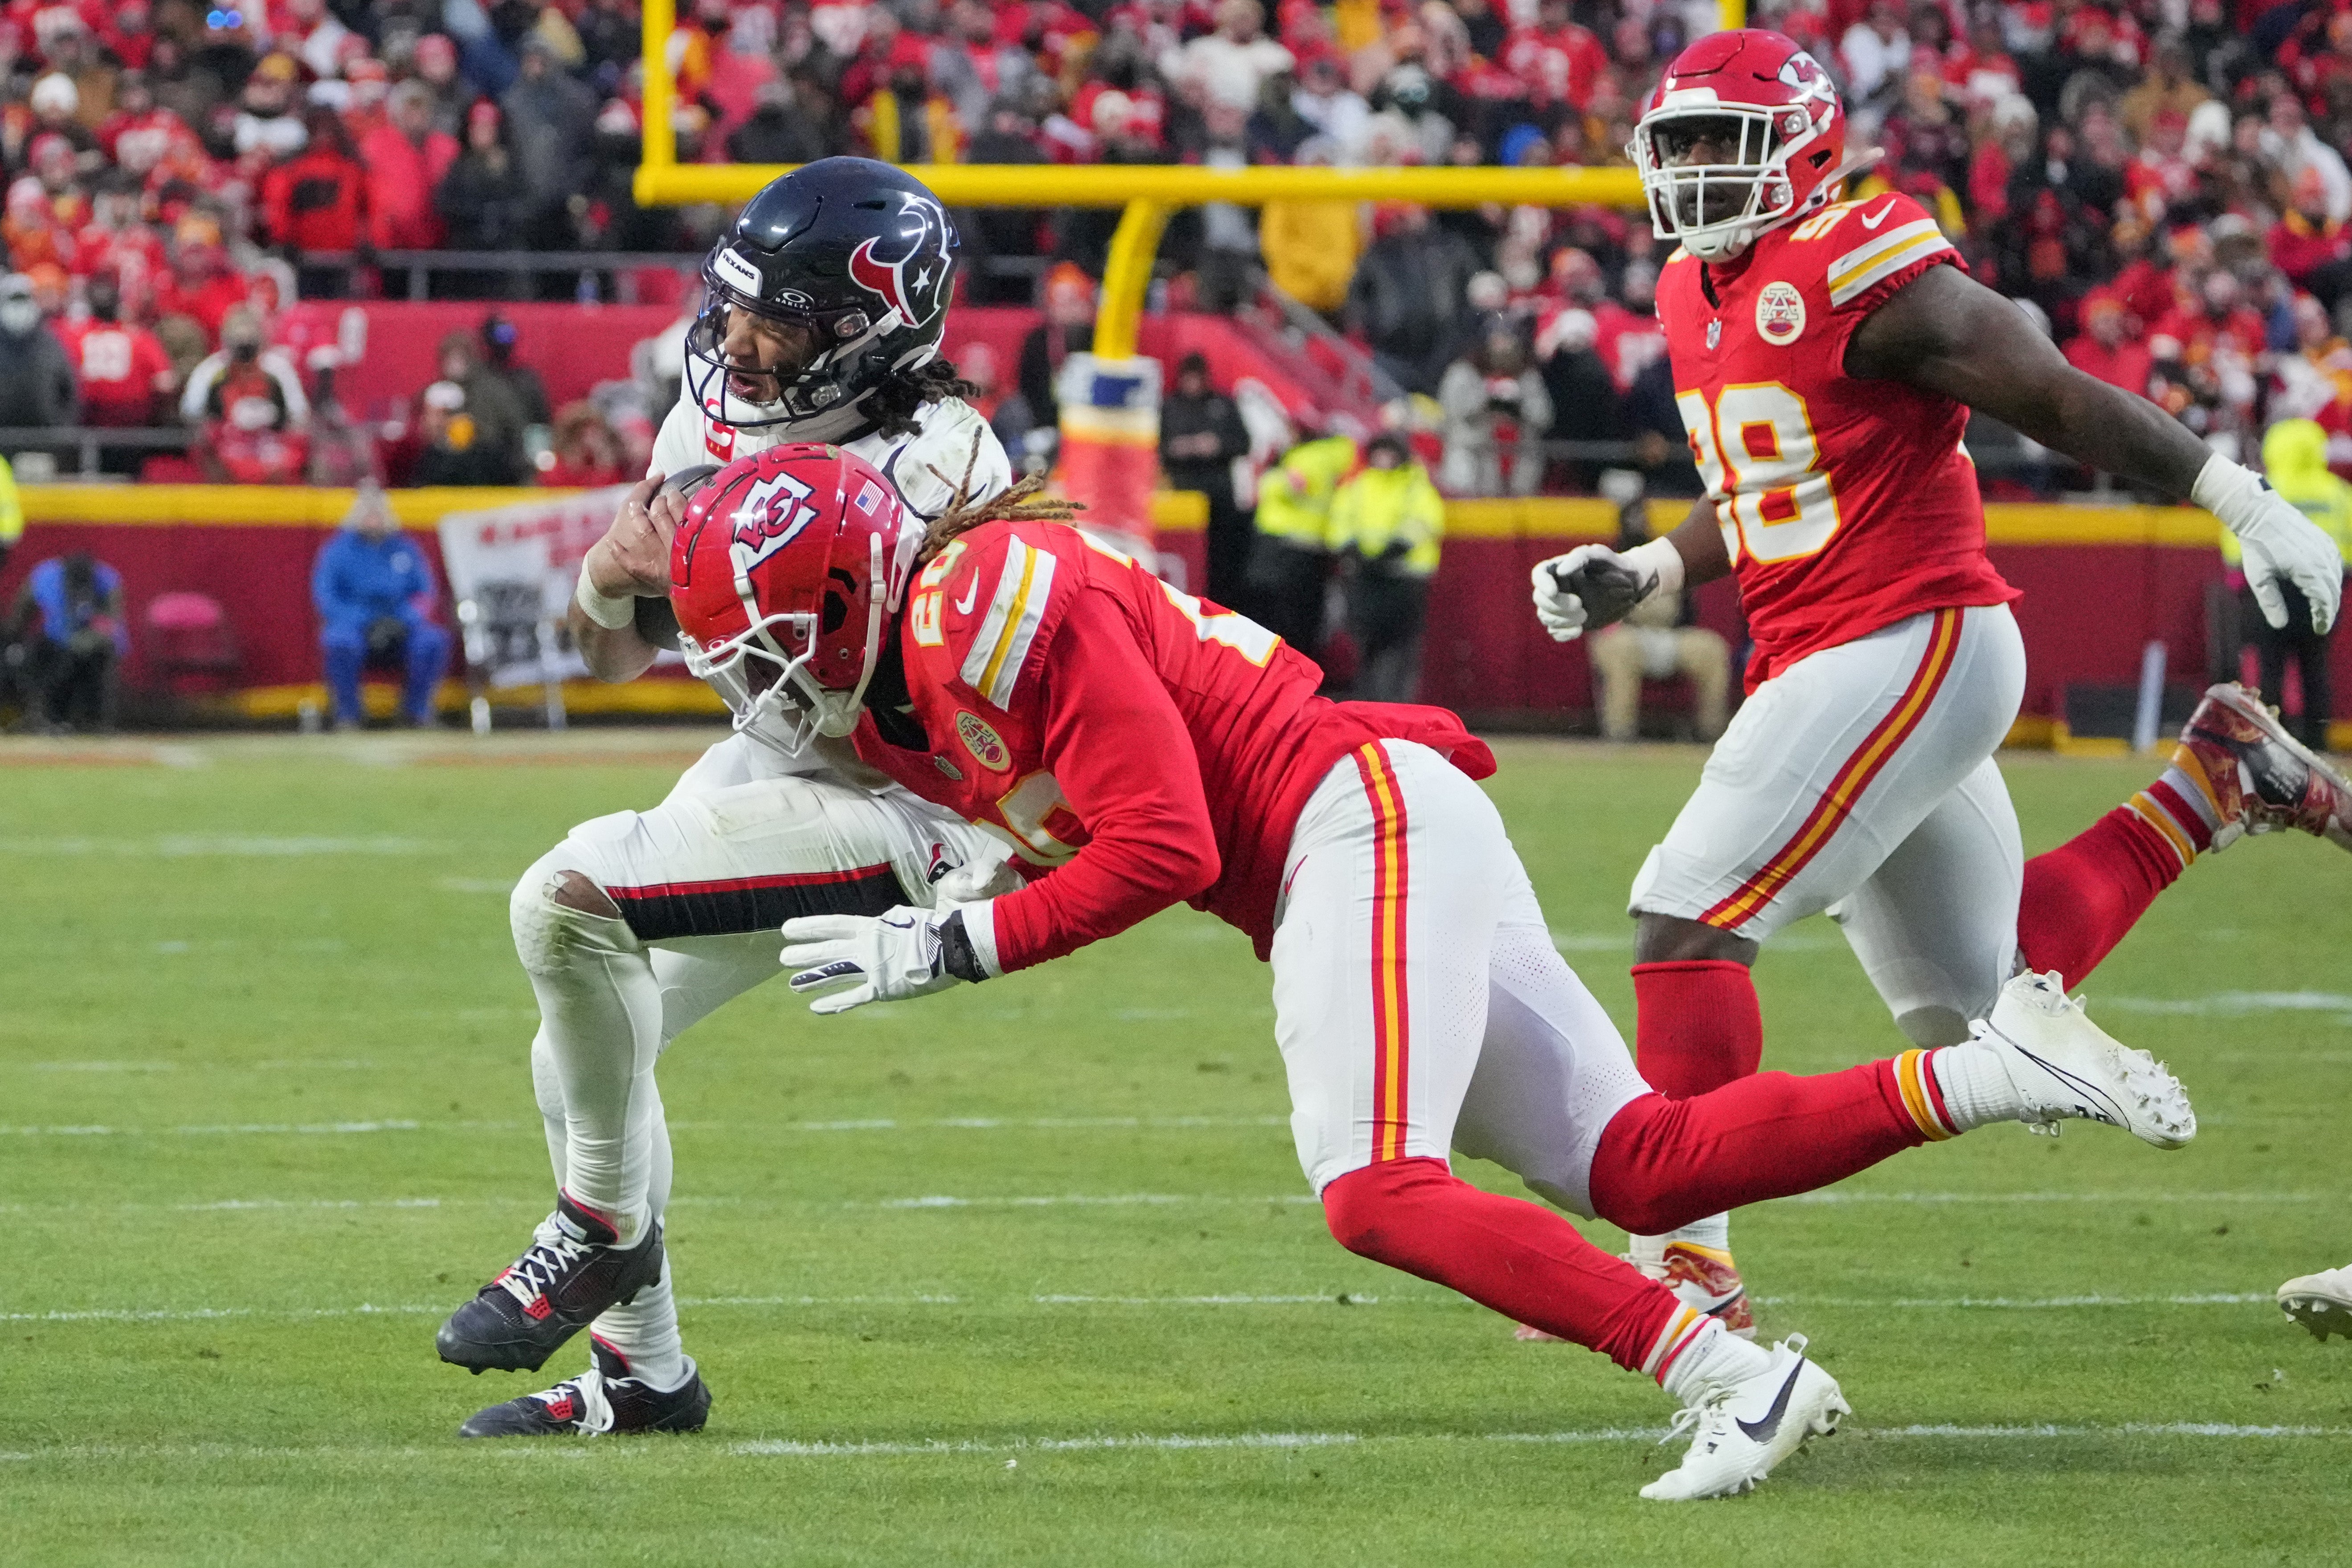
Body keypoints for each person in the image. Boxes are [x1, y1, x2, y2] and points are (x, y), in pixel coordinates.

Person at [670, 442, 2193, 1503]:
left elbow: (1166, 845)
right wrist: (976, 882)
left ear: (851, 590)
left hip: (1352, 827)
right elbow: (1098, 804)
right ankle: (1997, 1067)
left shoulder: (982, 607)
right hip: (1364, 831)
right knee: (1638, 1166)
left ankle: (1735, 1379)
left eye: (764, 640)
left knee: (1373, 1187)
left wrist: (954, 942)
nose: (756, 682)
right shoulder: (919, 668)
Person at [1531, 30, 2352, 1336]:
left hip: (1910, 632)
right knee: (1975, 1013)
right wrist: (1646, 567)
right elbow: (1762, 485)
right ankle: (2214, 780)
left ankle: (1685, 1261)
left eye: (1717, 143)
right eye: (1673, 144)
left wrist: (2235, 497)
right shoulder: (1693, 289)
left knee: (1688, 913)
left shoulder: (1860, 257)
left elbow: (2051, 394)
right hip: (1834, 648)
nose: (1690, 170)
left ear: (1802, 150)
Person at [431, 159, 1013, 1442]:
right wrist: (610, 573)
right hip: (784, 756)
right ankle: (645, 1375)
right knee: (574, 1051)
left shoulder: (943, 469)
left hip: (914, 796)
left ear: (867, 332)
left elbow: (930, 703)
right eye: (735, 304)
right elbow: (611, 654)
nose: (739, 343)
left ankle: (600, 1229)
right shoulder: (715, 418)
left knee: (565, 899)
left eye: (780, 321)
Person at [2232, 419, 2352, 751]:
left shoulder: (2261, 489)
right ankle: (2317, 742)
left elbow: (2237, 541)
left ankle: (2271, 742)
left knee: (2270, 669)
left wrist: (2240, 580)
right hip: (2321, 588)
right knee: (2316, 668)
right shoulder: (2338, 493)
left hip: (2272, 588)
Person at [1587, 503, 1731, 743]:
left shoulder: (1664, 558)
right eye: (1632, 520)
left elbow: (1687, 612)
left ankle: (1712, 734)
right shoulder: (1605, 562)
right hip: (1626, 636)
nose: (1637, 525)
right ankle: (1620, 734)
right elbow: (1597, 615)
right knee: (1621, 647)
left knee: (1712, 648)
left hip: (1667, 634)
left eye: (1641, 519)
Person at [311, 484, 450, 730]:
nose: (373, 518)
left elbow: (425, 593)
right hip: (356, 626)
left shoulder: (405, 548)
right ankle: (348, 714)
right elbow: (327, 597)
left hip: (400, 625)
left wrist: (404, 619)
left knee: (432, 641)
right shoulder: (337, 551)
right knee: (339, 642)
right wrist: (364, 621)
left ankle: (416, 712)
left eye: (378, 512)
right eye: (368, 512)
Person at [1330, 432, 1442, 702]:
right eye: (1379, 453)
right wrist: (1351, 549)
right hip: (1367, 578)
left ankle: (1398, 705)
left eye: (1390, 453)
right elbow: (1340, 521)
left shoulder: (1415, 486)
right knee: (1365, 645)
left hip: (1404, 579)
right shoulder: (1358, 486)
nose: (1383, 459)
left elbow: (1426, 521)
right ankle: (1367, 705)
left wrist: (1397, 548)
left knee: (1401, 648)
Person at [1156, 352, 1253, 609]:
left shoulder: (1222, 404)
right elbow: (1155, 446)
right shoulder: (1170, 407)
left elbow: (1244, 442)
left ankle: (1221, 606)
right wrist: (1178, 449)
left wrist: (1217, 446)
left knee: (1222, 560)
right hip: (1183, 496)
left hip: (1219, 497)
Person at [1248, 430, 1355, 661]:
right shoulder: (1338, 454)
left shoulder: (1305, 457)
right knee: (1305, 617)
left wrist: (1270, 477)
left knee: (1278, 617)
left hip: (1286, 544)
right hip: (1313, 545)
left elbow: (1288, 488)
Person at [9, 552, 124, 731]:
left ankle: (96, 722)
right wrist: (15, 642)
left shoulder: (107, 580)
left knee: (100, 659)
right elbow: (21, 615)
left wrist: (89, 640)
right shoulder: (45, 578)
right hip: (55, 643)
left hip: (94, 645)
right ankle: (46, 717)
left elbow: (112, 622)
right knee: (50, 661)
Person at [1438, 324, 1552, 497]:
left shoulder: (1528, 377)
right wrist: (1486, 398)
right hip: (1471, 450)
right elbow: (1450, 414)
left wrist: (1517, 402)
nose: (1502, 348)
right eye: (1496, 342)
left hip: (1518, 453)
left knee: (1517, 495)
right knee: (1464, 491)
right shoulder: (1463, 373)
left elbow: (1544, 418)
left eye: (1508, 342)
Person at [0, 272, 78, 432]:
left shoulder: (51, 344)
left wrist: (62, 430)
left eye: (24, 299)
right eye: (13, 300)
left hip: (45, 437)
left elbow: (70, 391)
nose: (19, 307)